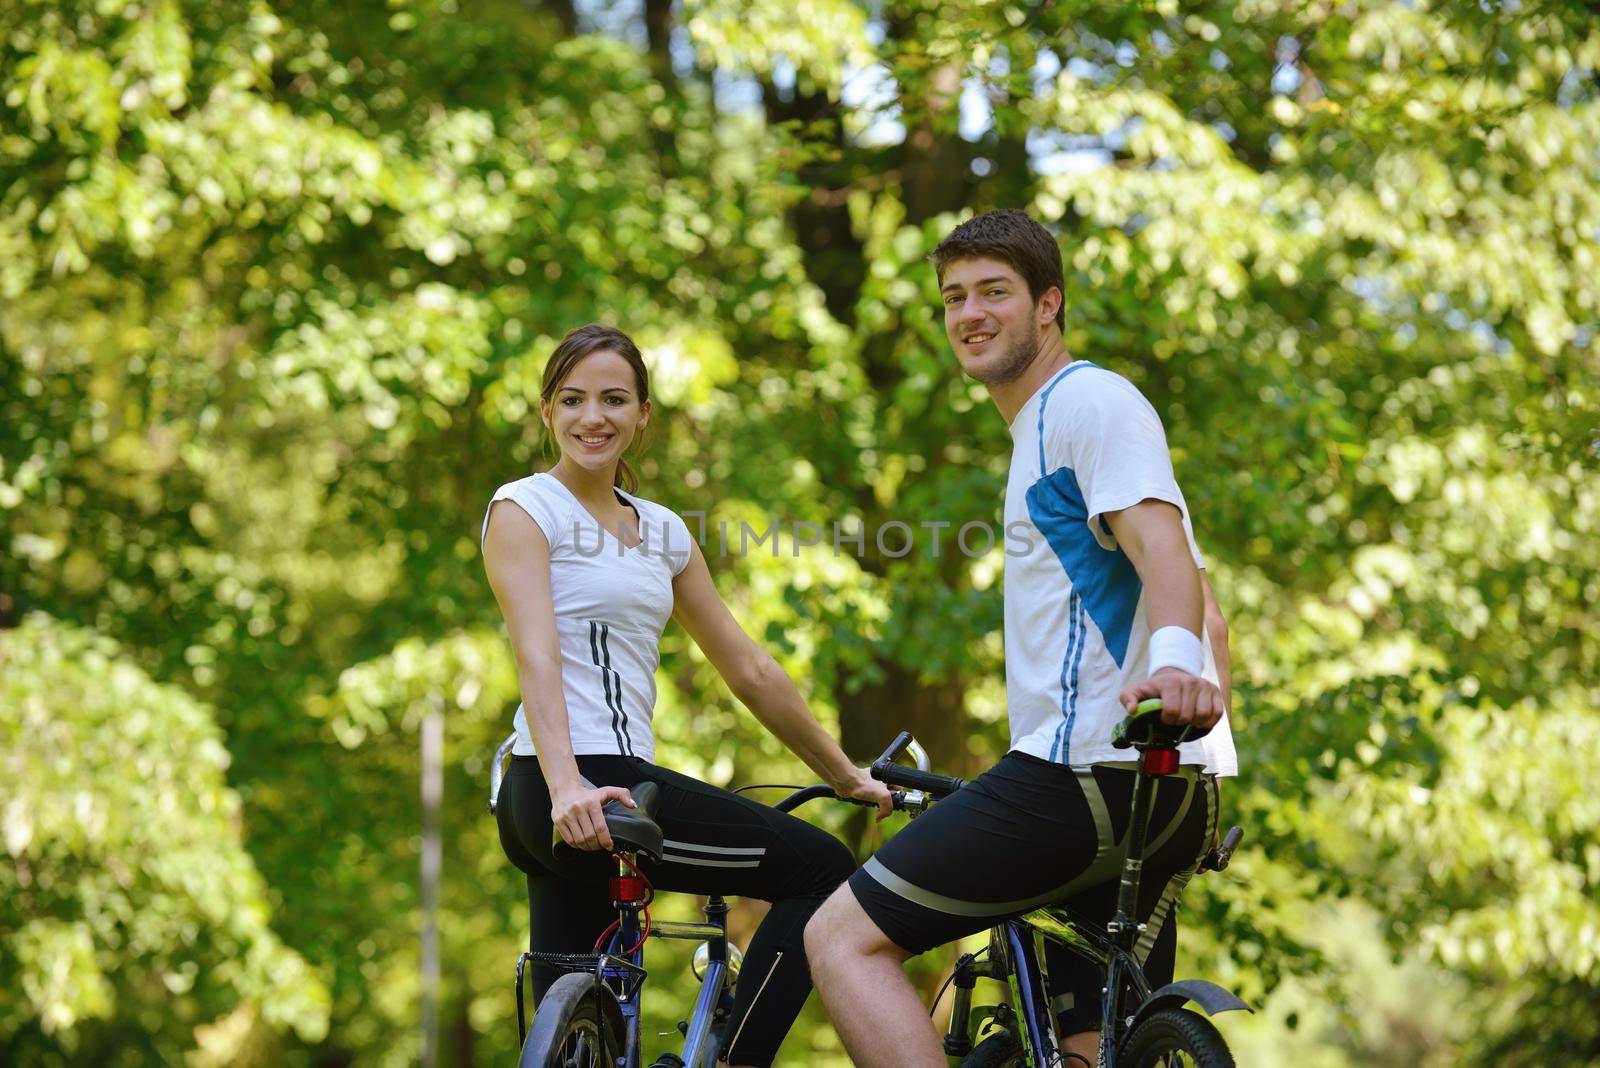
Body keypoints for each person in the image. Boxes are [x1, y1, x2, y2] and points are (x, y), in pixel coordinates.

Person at [804, 210, 1238, 1067]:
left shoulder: (1084, 403)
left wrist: (1177, 669)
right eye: (953, 297)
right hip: (1165, 788)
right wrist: (1193, 708)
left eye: (993, 292)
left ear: (1049, 305)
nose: (969, 312)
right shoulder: (1042, 431)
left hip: (1083, 773)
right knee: (1083, 1048)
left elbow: (1162, 550)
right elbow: (1205, 604)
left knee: (842, 939)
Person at [484, 323, 892, 1068]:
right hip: (570, 785)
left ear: (644, 414)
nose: (592, 417)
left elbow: (749, 670)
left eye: (614, 399)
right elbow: (535, 652)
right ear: (547, 412)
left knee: (582, 1025)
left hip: (592, 792)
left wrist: (842, 773)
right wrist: (566, 783)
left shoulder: (665, 533)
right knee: (822, 871)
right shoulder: (525, 508)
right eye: (571, 400)